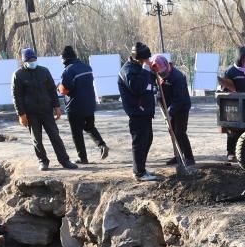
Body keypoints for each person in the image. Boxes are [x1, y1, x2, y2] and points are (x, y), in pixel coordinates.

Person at [11, 48, 78, 171]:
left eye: (34, 59)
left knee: (55, 136)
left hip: (46, 111)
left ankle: (65, 160)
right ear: (24, 61)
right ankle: (43, 161)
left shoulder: (44, 71)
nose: (32, 61)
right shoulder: (18, 75)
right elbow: (17, 96)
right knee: (37, 139)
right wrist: (21, 114)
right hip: (31, 113)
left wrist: (57, 107)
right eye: (30, 60)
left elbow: (52, 90)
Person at [58, 45, 109, 164]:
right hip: (90, 104)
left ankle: (83, 158)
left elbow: (65, 90)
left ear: (65, 58)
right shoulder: (87, 67)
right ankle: (102, 145)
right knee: (89, 127)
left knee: (77, 133)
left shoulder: (68, 71)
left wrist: (59, 87)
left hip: (75, 107)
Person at [118, 42, 159, 182]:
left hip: (146, 111)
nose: (148, 61)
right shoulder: (128, 70)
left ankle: (141, 168)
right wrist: (146, 70)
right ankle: (139, 172)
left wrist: (152, 74)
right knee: (139, 142)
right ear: (139, 59)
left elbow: (148, 83)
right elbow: (137, 88)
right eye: (146, 59)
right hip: (137, 111)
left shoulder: (140, 68)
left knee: (147, 139)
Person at [151, 54, 195, 170]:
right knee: (173, 132)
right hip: (168, 106)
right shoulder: (157, 73)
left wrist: (170, 112)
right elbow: (155, 85)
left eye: (163, 71)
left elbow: (179, 98)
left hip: (181, 107)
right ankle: (178, 156)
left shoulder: (177, 77)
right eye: (159, 72)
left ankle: (189, 157)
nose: (161, 74)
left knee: (180, 132)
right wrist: (157, 93)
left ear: (167, 65)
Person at [223, 47, 245, 162]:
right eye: (244, 59)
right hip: (234, 105)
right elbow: (224, 88)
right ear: (239, 58)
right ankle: (230, 152)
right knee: (233, 130)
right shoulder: (230, 71)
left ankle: (243, 153)